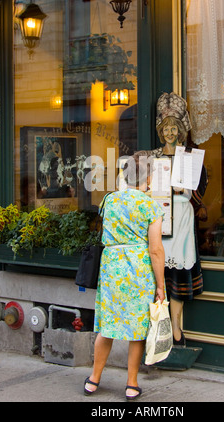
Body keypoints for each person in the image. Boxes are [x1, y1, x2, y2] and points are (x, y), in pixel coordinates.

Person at [84, 154, 165, 401]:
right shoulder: (151, 206)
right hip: (138, 271)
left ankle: (94, 379)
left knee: (106, 327)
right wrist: (161, 286)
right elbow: (155, 249)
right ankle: (131, 383)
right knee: (137, 330)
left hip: (111, 270)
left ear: (124, 176)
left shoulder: (109, 200)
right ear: (148, 178)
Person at [149, 92, 207, 345]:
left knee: (177, 277)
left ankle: (175, 327)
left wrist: (184, 190)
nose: (170, 133)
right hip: (160, 219)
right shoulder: (153, 156)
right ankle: (157, 328)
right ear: (161, 133)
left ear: (180, 131)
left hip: (182, 221)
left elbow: (200, 191)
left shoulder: (190, 158)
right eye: (166, 129)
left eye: (174, 128)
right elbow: (143, 187)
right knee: (158, 276)